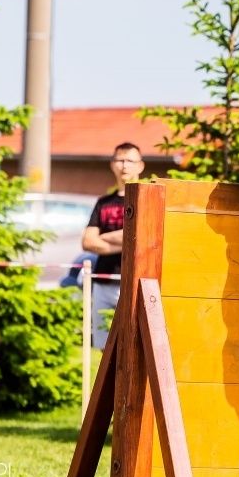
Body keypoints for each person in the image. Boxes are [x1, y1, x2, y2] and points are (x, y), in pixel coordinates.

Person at [81, 142, 145, 349]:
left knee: (132, 345)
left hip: (133, 283)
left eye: (130, 161)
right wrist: (129, 241)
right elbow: (88, 241)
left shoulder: (144, 198)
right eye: (120, 160)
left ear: (140, 166)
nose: (124, 165)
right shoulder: (103, 202)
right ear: (112, 165)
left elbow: (144, 235)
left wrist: (105, 236)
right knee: (103, 346)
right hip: (102, 282)